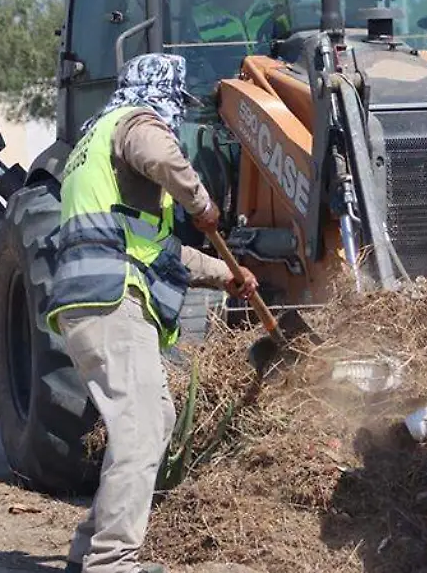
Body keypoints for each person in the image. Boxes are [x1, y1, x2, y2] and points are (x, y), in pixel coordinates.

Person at [45, 53, 260, 573]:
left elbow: (157, 247)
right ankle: (114, 562)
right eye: (173, 107)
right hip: (113, 298)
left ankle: (89, 546)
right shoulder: (134, 124)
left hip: (91, 298)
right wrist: (201, 202)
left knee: (154, 420)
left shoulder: (93, 144)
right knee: (138, 432)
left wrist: (223, 273)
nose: (175, 119)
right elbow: (159, 151)